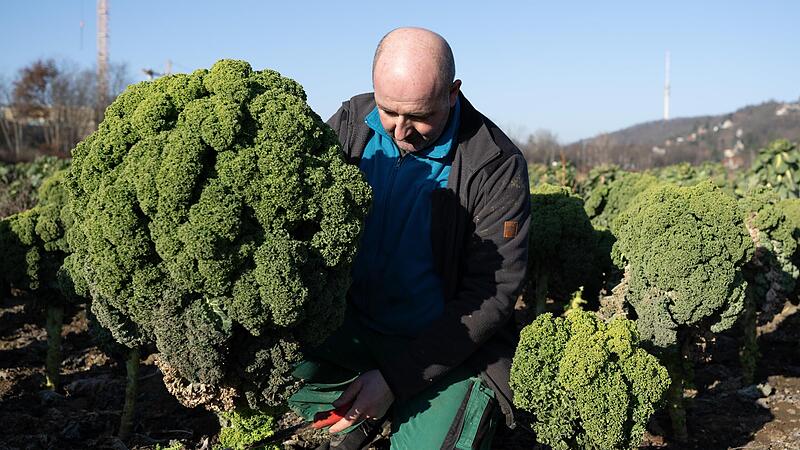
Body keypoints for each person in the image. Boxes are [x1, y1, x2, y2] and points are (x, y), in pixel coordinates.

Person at [288, 27, 530, 450]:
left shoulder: (495, 165)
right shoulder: (349, 123)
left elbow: (493, 295)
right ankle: (365, 407)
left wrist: (396, 379)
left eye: (420, 116)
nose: (402, 131)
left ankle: (390, 403)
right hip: (352, 329)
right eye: (389, 111)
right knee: (263, 358)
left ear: (452, 93)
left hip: (445, 351)